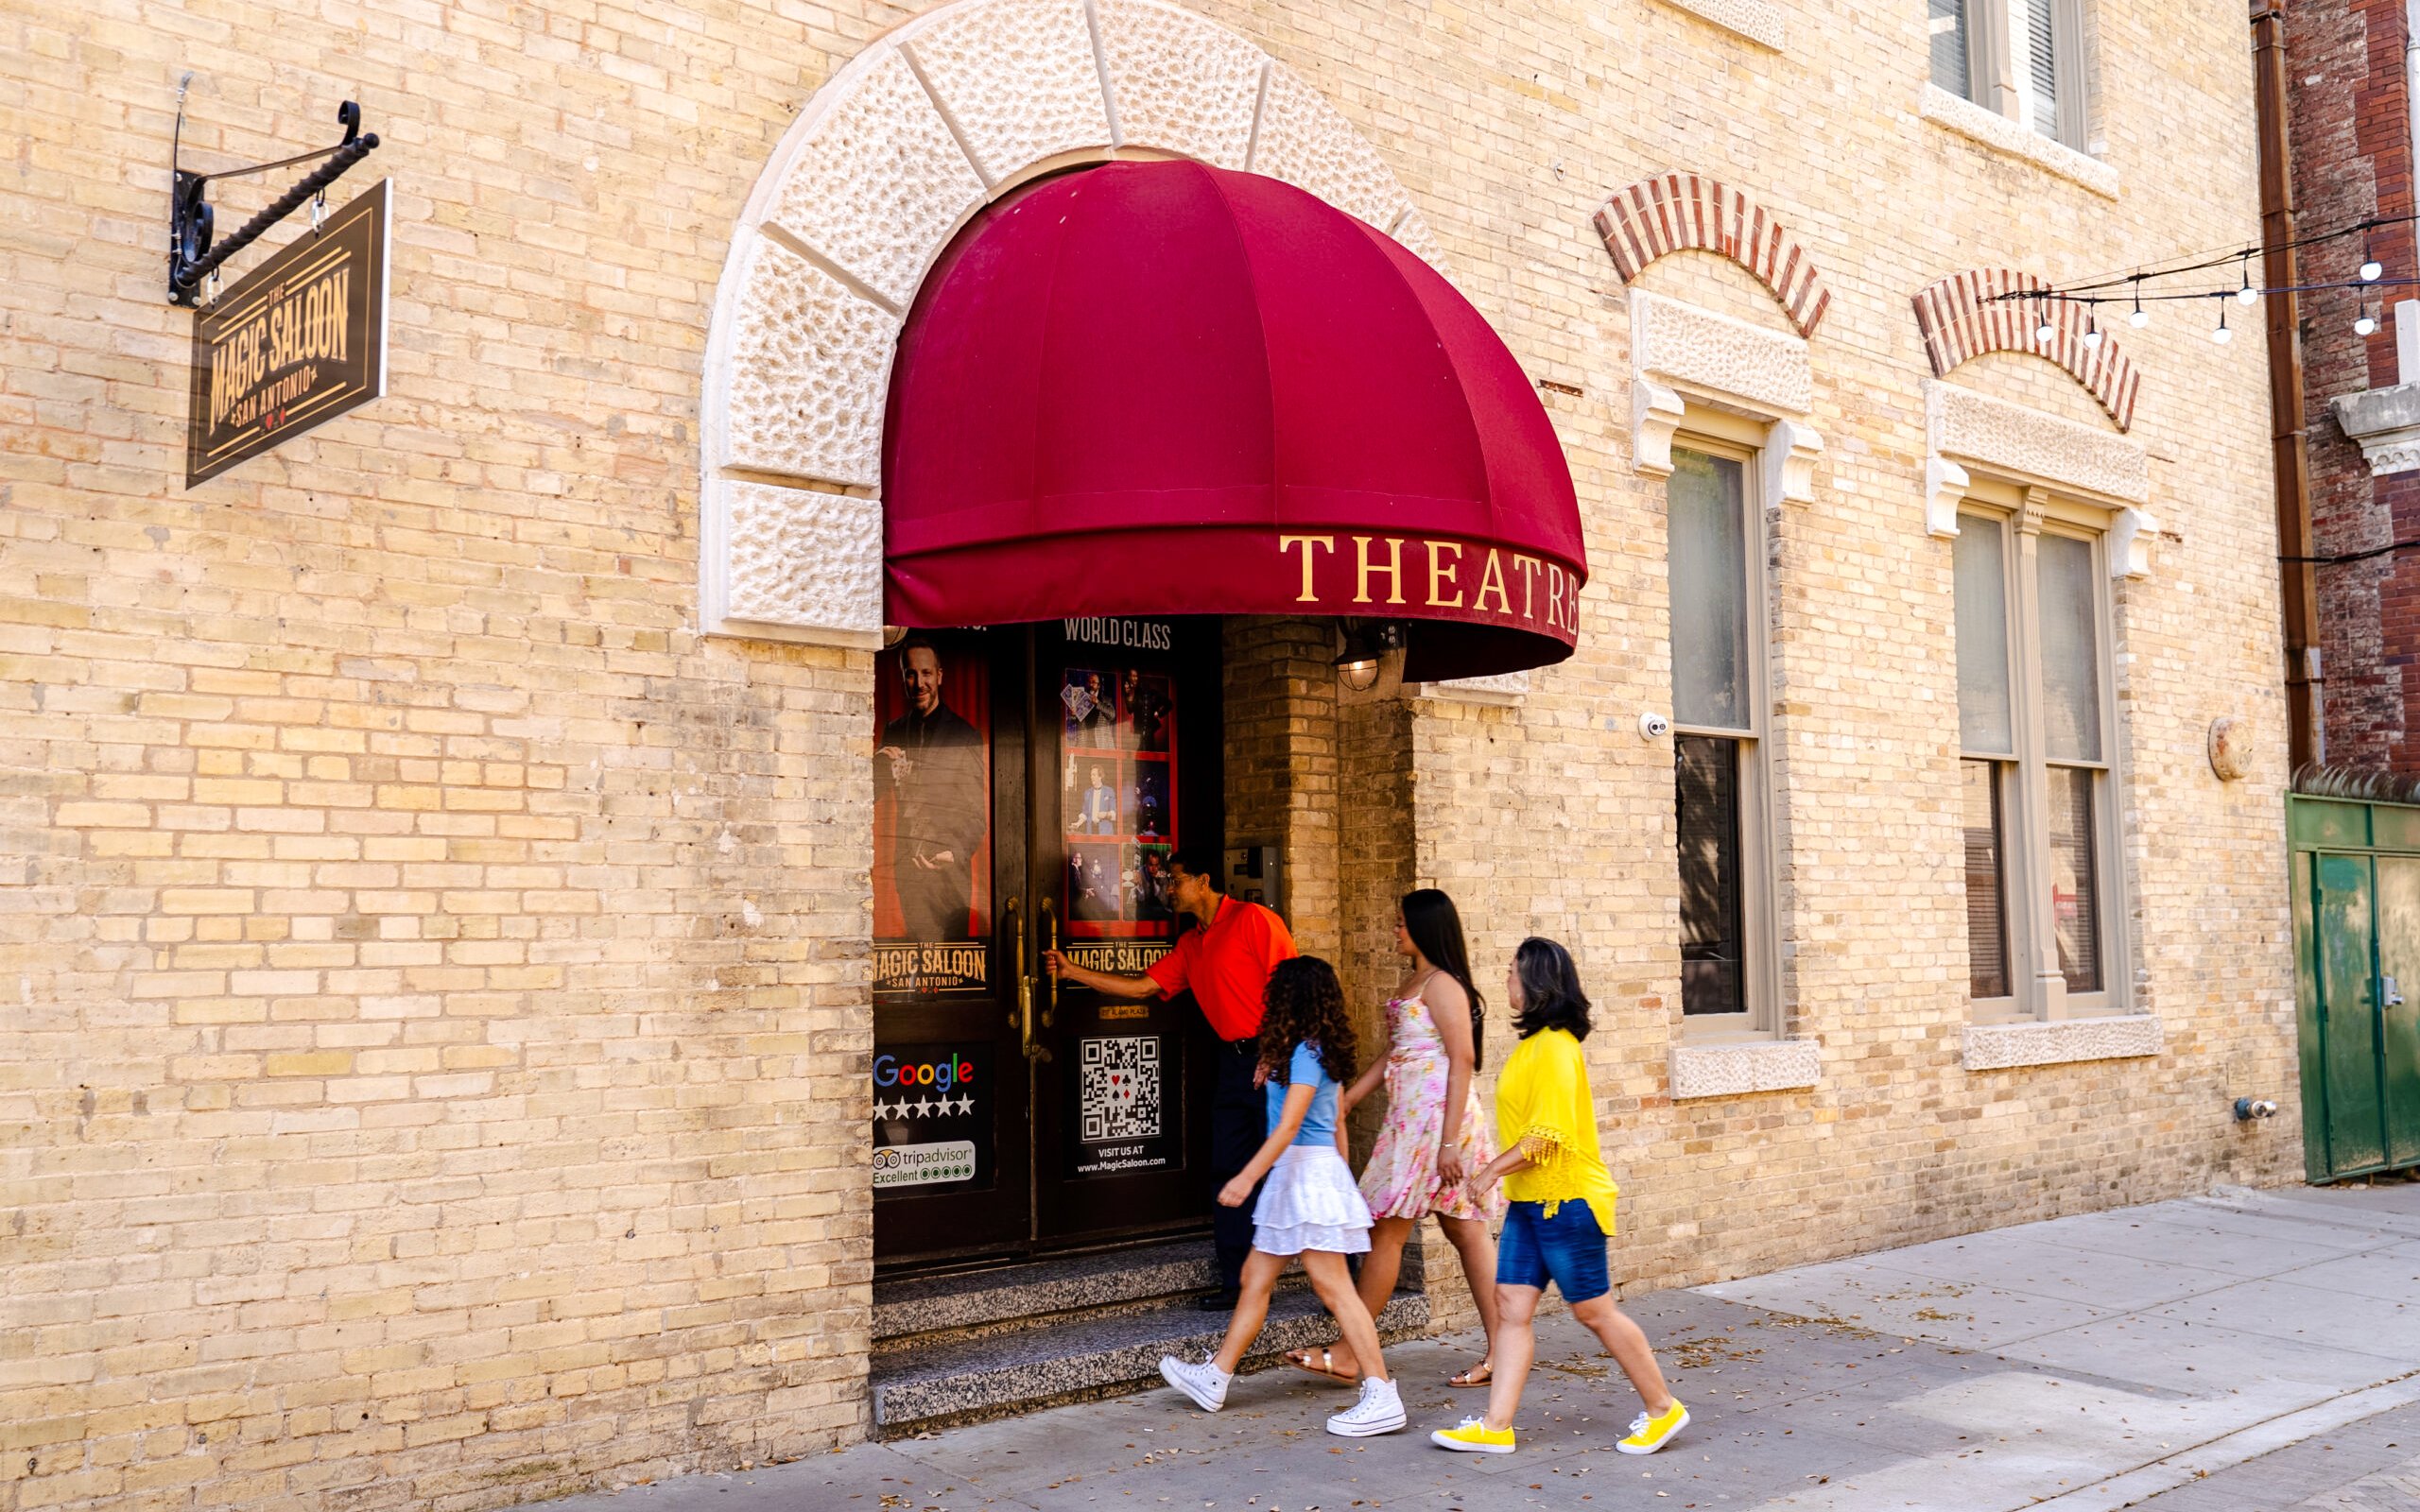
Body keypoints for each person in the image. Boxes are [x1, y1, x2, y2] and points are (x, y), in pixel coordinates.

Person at [1431, 937, 1688, 1459]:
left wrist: (1486, 1174)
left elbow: (1548, 1138)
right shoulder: (1533, 1046)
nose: (1505, 981)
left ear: (1536, 983)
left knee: (1594, 1311)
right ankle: (1496, 1425)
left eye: (1511, 973)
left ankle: (1664, 1408)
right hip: (1531, 1204)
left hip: (1567, 1203)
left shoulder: (1555, 1048)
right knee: (1511, 1308)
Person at [1157, 957, 1406, 1438]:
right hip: (1303, 1175)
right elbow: (1332, 1122)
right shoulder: (1303, 1053)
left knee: (1333, 1287)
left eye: (1274, 993)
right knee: (1255, 1276)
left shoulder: (1307, 1055)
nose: (1266, 999)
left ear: (1290, 999)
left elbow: (1292, 1126)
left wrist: (1247, 1177)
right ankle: (1216, 1376)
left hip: (1304, 1175)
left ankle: (1382, 1393)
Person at [1047, 847, 1295, 1306]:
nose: (1166, 889)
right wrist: (1071, 970)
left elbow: (1291, 986)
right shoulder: (1191, 944)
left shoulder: (1254, 920)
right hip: (1232, 1064)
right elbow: (1143, 987)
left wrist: (1278, 1051)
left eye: (1174, 880)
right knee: (1229, 1171)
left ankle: (1340, 1283)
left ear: (1203, 881)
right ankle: (1238, 1285)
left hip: (1275, 1058)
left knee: (1294, 1168)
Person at [1286, 888, 1502, 1389]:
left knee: (1392, 1229)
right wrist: (1351, 1098)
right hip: (1412, 1122)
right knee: (1462, 1230)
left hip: (1436, 1126)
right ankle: (1504, 1350)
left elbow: (1463, 1059)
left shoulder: (1444, 984)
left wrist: (1449, 1144)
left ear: (1425, 927)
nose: (1395, 928)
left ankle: (1349, 1352)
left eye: (1402, 922)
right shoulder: (1418, 980)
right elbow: (1398, 1052)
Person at [874, 639, 986, 942]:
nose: (919, 683)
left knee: (952, 974)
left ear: (939, 676)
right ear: (903, 678)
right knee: (919, 972)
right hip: (909, 876)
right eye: (911, 674)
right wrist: (878, 766)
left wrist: (954, 853)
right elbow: (870, 795)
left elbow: (977, 815)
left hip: (950, 877)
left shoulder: (965, 735)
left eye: (926, 673)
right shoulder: (894, 730)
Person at [1075, 764, 1117, 834]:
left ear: (1100, 776)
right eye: (1091, 775)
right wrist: (1078, 823)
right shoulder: (1087, 793)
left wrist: (1105, 814)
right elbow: (1085, 813)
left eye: (1094, 775)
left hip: (1105, 832)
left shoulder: (1109, 791)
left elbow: (1114, 813)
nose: (1091, 777)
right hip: (1091, 831)